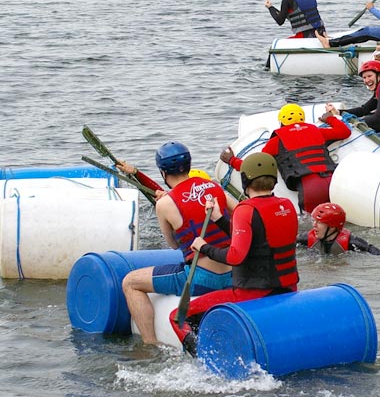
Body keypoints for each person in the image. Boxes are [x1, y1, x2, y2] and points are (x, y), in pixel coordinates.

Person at [171, 152, 299, 355]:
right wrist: (219, 219)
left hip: (252, 292)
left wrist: (204, 248)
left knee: (178, 316)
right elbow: (257, 237)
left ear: (245, 179)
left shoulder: (244, 209)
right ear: (274, 180)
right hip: (288, 288)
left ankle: (206, 361)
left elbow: (235, 256)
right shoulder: (287, 206)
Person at [121, 141, 234, 346]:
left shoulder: (165, 203)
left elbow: (174, 245)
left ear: (163, 173)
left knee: (130, 282)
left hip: (200, 279)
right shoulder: (215, 188)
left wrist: (163, 206)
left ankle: (149, 344)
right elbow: (244, 216)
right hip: (234, 274)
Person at [220, 103, 351, 213]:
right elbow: (345, 132)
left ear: (282, 121)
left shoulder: (276, 141)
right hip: (334, 180)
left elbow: (255, 166)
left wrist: (231, 160)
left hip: (310, 188)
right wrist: (330, 118)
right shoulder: (317, 130)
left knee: (312, 229)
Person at [296, 202, 380, 255]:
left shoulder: (352, 242)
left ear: (332, 226)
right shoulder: (305, 238)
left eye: (319, 222)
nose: (314, 225)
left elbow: (374, 251)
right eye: (314, 221)